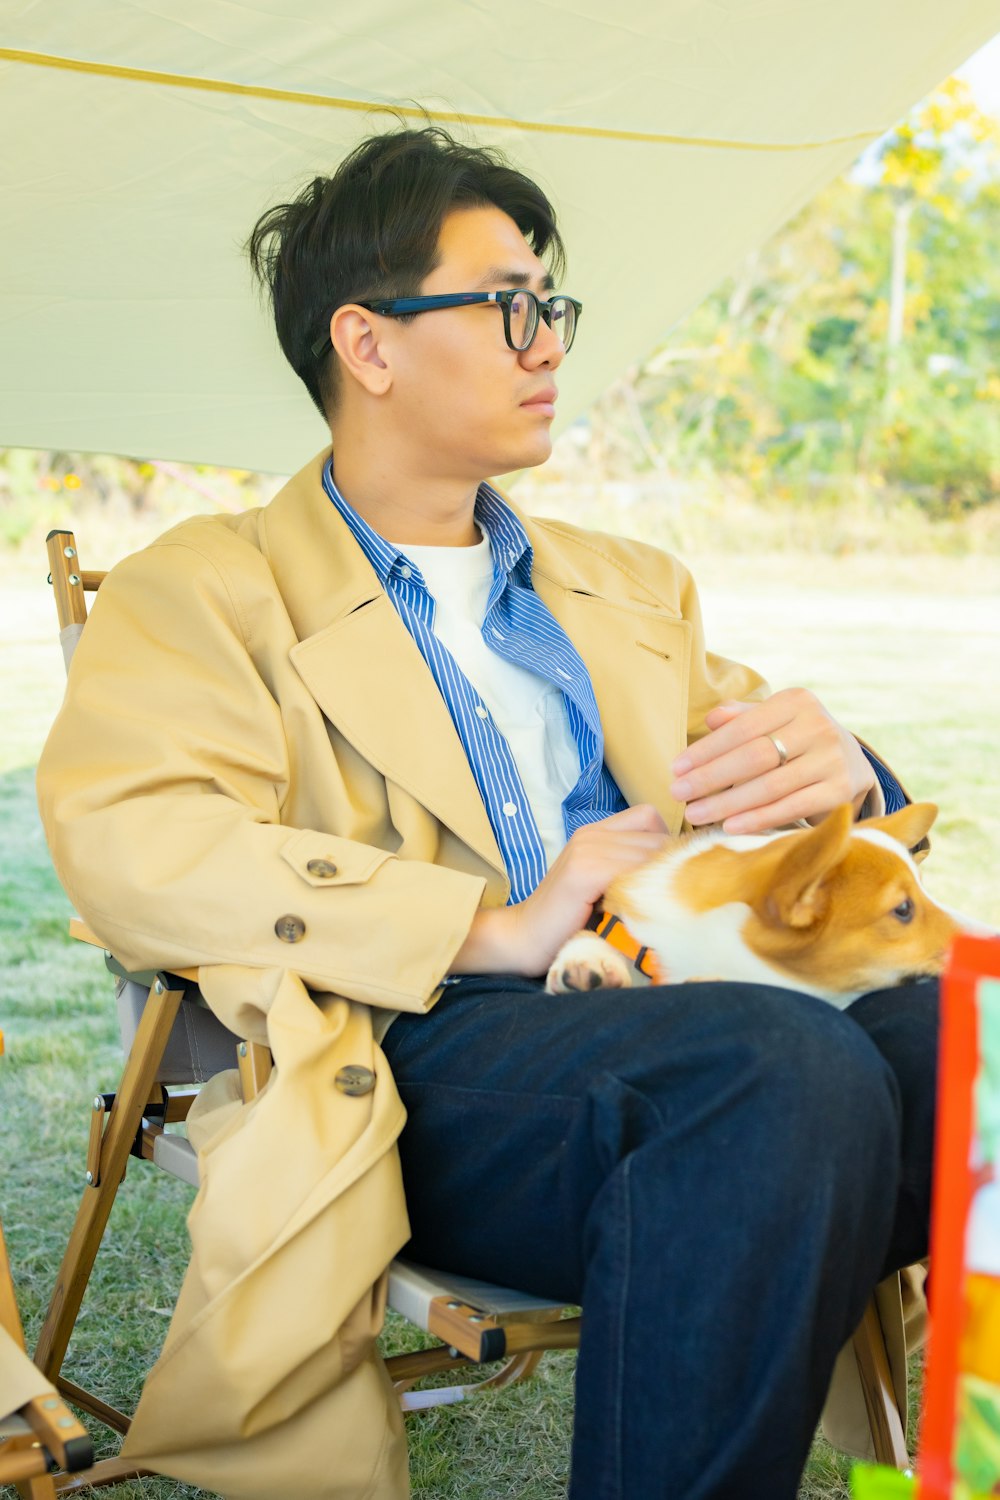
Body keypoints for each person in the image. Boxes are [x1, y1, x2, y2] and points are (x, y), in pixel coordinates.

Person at [37, 125, 936, 1499]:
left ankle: (941, 1465)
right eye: (509, 305)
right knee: (781, 1069)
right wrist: (496, 924)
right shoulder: (203, 592)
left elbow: (772, 774)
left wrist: (844, 768)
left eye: (553, 308)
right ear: (371, 344)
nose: (548, 342)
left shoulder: (625, 584)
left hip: (671, 1005)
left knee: (957, 1029)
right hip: (418, 1053)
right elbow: (134, 842)